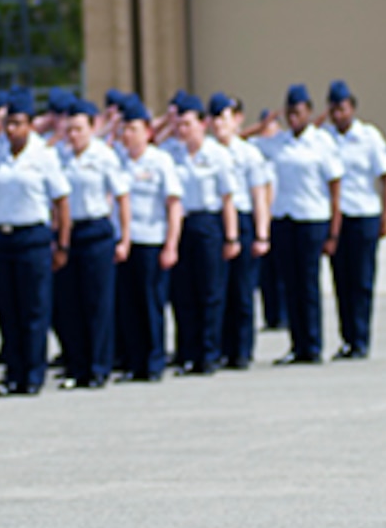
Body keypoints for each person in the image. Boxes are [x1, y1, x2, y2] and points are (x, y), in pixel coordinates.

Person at [0, 88, 71, 396]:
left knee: (33, 308)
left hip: (32, 236)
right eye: (8, 123)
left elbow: (61, 201)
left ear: (31, 124)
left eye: (18, 123)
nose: (12, 129)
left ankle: (33, 373)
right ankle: (13, 372)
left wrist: (62, 243)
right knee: (6, 308)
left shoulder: (44, 156)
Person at [257, 84, 343, 364]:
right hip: (284, 220)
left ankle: (313, 344)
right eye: (289, 112)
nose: (293, 118)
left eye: (298, 112)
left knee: (308, 284)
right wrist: (268, 121)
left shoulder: (321, 142)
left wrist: (334, 229)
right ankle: (297, 345)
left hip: (312, 219)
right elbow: (242, 140)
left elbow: (335, 187)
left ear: (309, 112)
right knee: (290, 285)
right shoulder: (278, 141)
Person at [161, 92, 240, 376]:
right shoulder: (171, 153)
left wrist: (231, 237)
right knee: (184, 293)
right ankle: (187, 353)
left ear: (202, 124)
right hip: (182, 225)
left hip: (208, 224)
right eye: (179, 125)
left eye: (188, 124)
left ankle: (209, 353)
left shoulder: (217, 155)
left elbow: (228, 199)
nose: (182, 131)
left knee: (210, 292)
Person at [53, 97, 129, 389]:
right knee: (70, 302)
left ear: (93, 127)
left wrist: (124, 237)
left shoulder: (104, 156)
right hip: (69, 233)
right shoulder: (60, 156)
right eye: (69, 129)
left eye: (79, 129)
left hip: (97, 230)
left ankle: (99, 366)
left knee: (97, 302)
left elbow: (122, 197)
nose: (73, 135)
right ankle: (77, 366)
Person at [322, 80, 386, 360]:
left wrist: (385, 218)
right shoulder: (324, 137)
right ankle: (347, 339)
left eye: (342, 108)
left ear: (352, 108)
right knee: (341, 281)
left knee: (362, 281)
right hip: (337, 221)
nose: (337, 114)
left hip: (365, 215)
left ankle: (362, 339)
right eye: (333, 108)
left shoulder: (369, 137)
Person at [113, 98, 181, 382]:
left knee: (151, 303)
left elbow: (174, 204)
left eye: (133, 128)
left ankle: (154, 361)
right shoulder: (116, 160)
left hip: (152, 240)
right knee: (127, 305)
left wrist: (171, 244)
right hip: (124, 242)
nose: (127, 135)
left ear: (148, 132)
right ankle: (133, 361)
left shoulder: (161, 160)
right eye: (124, 129)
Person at [209, 93, 273, 370]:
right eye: (213, 118)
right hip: (217, 223)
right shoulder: (207, 151)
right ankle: (222, 347)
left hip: (243, 221)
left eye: (223, 118)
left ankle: (242, 349)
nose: (217, 124)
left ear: (237, 120)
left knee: (242, 289)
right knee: (218, 289)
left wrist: (262, 234)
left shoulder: (248, 153)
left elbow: (259, 196)